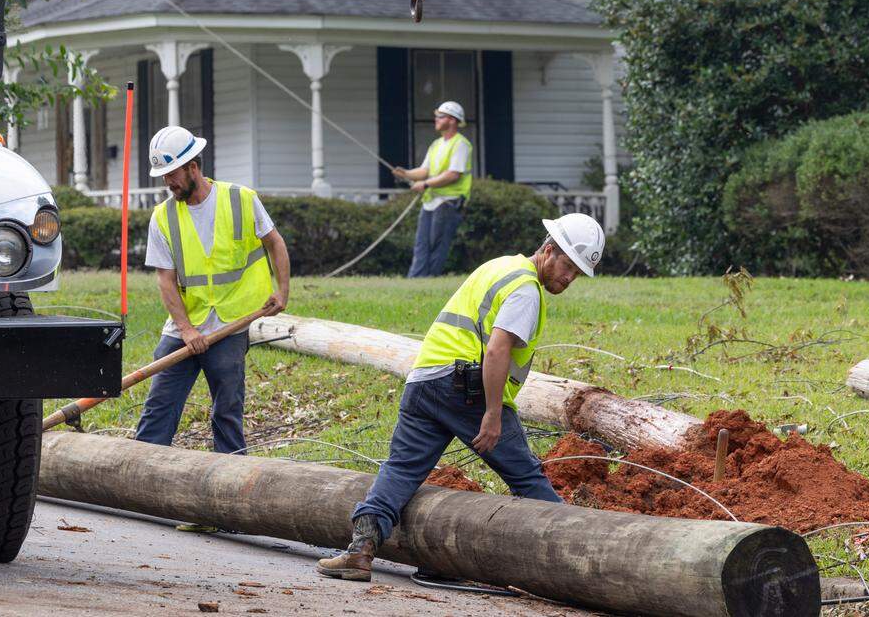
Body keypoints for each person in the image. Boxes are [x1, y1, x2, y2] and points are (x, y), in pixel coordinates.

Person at [316, 213, 605, 581]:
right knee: (526, 477)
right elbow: (499, 350)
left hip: (424, 380)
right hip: (465, 388)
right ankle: (582, 553)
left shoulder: (501, 267)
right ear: (549, 250)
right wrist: (493, 413)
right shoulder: (526, 290)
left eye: (577, 274)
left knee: (401, 468)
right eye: (568, 267)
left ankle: (360, 549)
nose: (569, 278)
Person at [136, 125, 291, 460]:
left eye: (172, 174)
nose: (168, 183)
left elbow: (274, 242)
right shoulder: (163, 217)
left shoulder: (241, 199)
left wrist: (283, 290)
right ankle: (140, 467)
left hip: (230, 324)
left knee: (227, 409)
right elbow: (166, 280)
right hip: (183, 328)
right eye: (163, 176)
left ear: (192, 166)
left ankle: (231, 475)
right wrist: (187, 330)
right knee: (159, 406)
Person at [392, 100, 472, 278]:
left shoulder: (461, 144)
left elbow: (453, 174)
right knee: (421, 244)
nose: (436, 119)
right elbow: (424, 171)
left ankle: (430, 280)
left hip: (448, 203)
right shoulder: (436, 144)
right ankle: (415, 280)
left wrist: (426, 184)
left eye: (440, 116)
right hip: (430, 202)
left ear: (452, 120)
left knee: (437, 245)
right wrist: (405, 174)